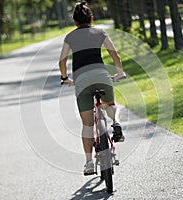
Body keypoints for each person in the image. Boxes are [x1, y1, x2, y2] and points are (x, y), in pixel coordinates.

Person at [59, 1, 125, 176]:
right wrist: (119, 72)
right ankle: (116, 123)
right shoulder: (100, 32)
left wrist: (65, 78)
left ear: (75, 22)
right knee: (110, 105)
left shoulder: (70, 37)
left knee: (88, 124)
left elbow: (62, 61)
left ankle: (89, 163)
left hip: (81, 80)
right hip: (101, 76)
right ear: (91, 19)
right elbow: (114, 53)